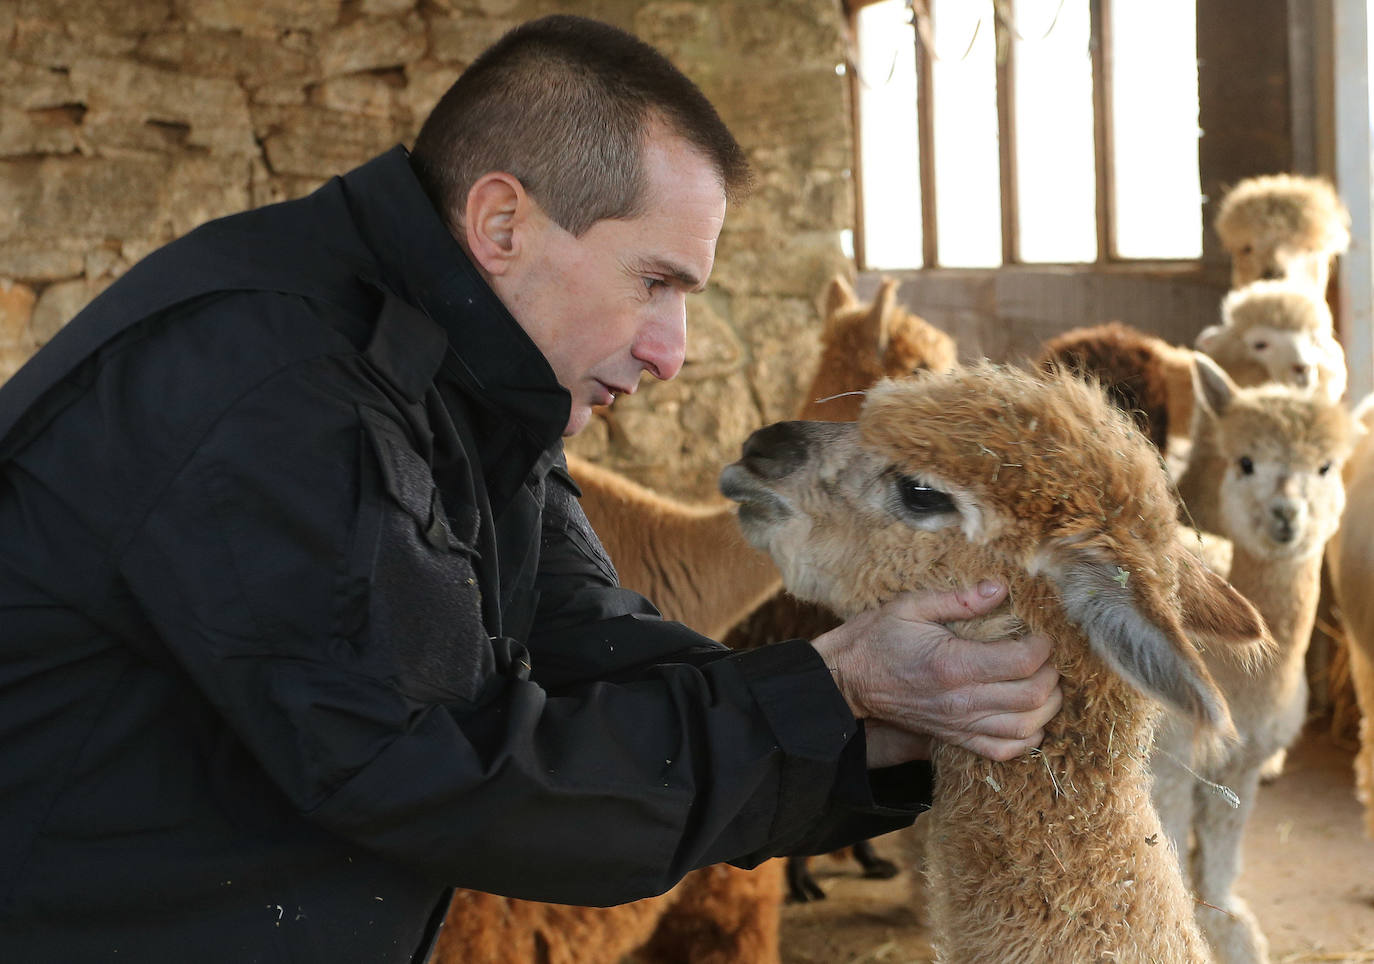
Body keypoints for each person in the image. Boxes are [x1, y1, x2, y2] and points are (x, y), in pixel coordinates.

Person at [0, 14, 1061, 963]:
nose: (672, 353)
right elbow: (442, 760)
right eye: (656, 282)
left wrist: (881, 719)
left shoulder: (472, 385)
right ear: (501, 225)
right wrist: (840, 692)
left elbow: (592, 642)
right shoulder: (276, 389)